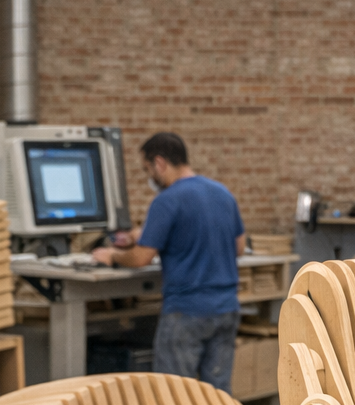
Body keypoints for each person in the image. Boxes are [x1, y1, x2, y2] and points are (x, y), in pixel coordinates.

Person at [90, 132, 245, 391]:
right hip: (226, 309)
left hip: (187, 312)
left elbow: (141, 257)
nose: (149, 176)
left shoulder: (167, 200)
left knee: (173, 395)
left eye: (147, 169)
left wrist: (112, 256)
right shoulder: (222, 193)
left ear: (159, 162)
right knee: (218, 396)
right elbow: (238, 247)